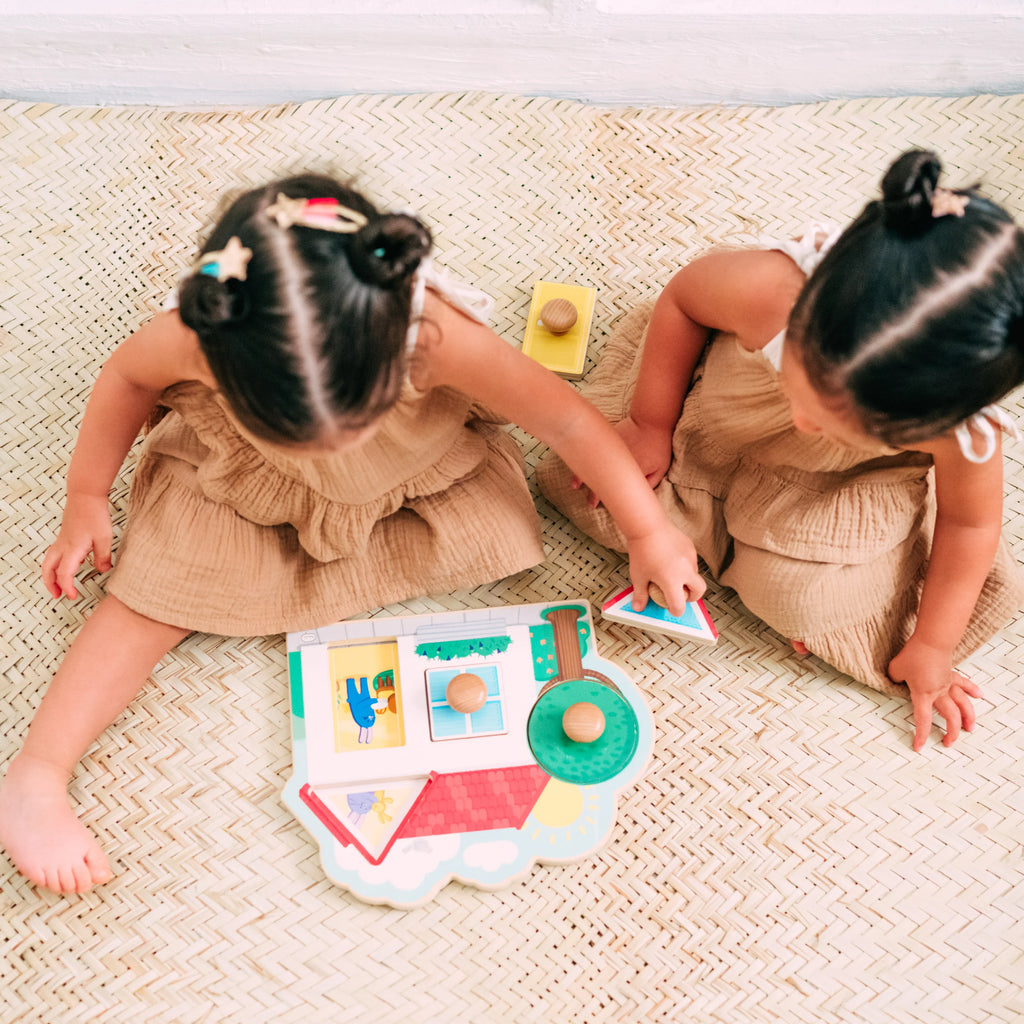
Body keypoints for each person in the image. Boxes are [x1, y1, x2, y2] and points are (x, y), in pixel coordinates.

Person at [0, 174, 705, 895]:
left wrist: (646, 528)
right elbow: (124, 377)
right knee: (149, 596)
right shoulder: (200, 333)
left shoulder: (433, 335)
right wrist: (86, 495)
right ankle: (36, 773)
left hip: (409, 478)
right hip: (248, 492)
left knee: (497, 532)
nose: (325, 446)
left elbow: (562, 419)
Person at [538, 149, 1024, 753]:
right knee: (586, 482)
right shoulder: (772, 289)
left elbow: (969, 524)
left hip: (835, 488)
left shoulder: (962, 432)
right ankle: (702, 531)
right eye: (805, 385)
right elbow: (685, 301)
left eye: (839, 419)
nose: (803, 419)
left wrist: (932, 646)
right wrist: (648, 422)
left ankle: (749, 556)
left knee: (815, 604)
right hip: (720, 423)